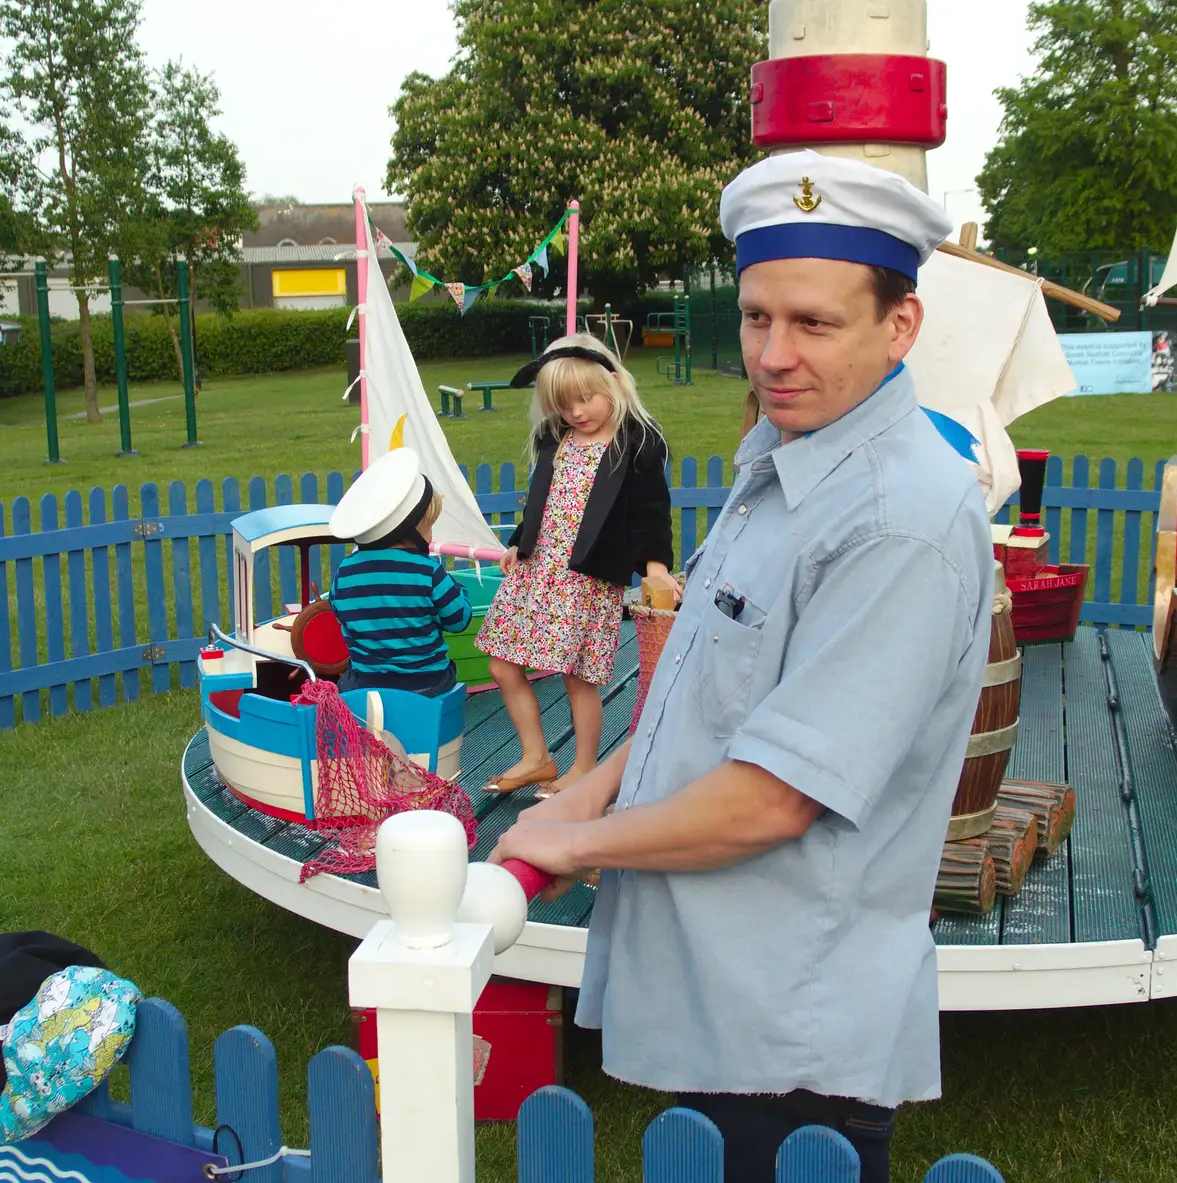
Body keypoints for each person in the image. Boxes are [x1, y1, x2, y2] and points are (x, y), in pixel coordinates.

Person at [490, 149, 995, 1183]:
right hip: (728, 997)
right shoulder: (783, 463)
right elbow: (698, 707)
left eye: (813, 323)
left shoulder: (899, 517)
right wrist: (579, 792)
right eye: (758, 317)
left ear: (900, 326)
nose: (773, 353)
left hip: (790, 1030)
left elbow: (772, 800)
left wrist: (579, 844)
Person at [477, 333, 678, 797]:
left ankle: (583, 767)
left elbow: (651, 511)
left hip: (586, 578)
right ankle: (537, 757)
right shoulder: (555, 437)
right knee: (503, 666)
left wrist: (654, 566)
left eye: (586, 399)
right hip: (537, 571)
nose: (577, 413)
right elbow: (541, 499)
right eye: (566, 406)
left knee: (578, 675)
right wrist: (518, 543)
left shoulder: (638, 443)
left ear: (613, 383)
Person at [327, 446, 471, 697]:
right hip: (427, 686)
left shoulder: (346, 572)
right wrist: (458, 590)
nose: (432, 535)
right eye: (429, 527)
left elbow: (339, 612)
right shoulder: (427, 572)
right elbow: (460, 619)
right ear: (410, 532)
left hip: (366, 687)